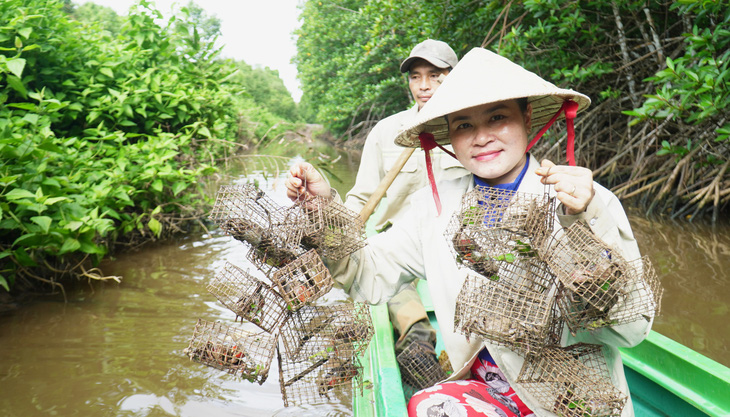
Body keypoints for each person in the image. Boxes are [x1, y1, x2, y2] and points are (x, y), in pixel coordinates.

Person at [286, 48, 654, 417]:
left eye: (497, 117)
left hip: (570, 402)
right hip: (487, 391)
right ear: (448, 136)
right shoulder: (434, 209)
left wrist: (583, 221)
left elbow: (631, 329)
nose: (481, 137)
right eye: (463, 125)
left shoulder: (583, 200)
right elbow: (366, 274)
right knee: (429, 404)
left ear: (526, 117)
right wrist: (323, 212)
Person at [344, 39, 468, 355]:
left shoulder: (471, 130)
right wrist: (339, 234)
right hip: (399, 241)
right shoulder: (387, 132)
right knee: (397, 290)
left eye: (435, 75)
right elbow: (361, 197)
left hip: (459, 242)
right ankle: (417, 338)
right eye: (415, 76)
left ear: (453, 77)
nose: (423, 86)